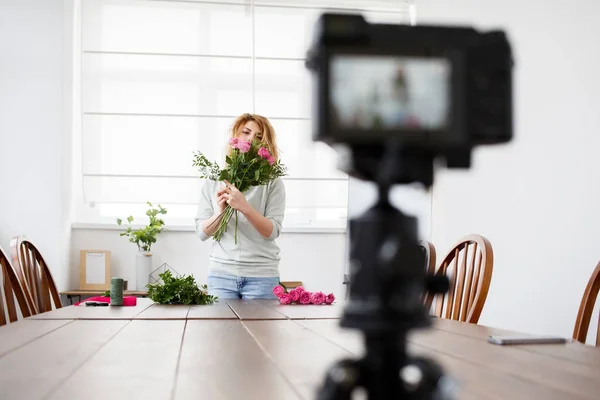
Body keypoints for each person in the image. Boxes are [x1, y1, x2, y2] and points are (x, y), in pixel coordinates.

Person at [195, 113, 286, 299]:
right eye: (246, 132)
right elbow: (202, 233)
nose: (251, 139)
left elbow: (272, 231)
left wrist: (245, 207)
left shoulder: (273, 182)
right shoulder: (214, 180)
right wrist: (220, 213)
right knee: (222, 329)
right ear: (236, 135)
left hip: (262, 276)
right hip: (221, 275)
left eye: (259, 137)